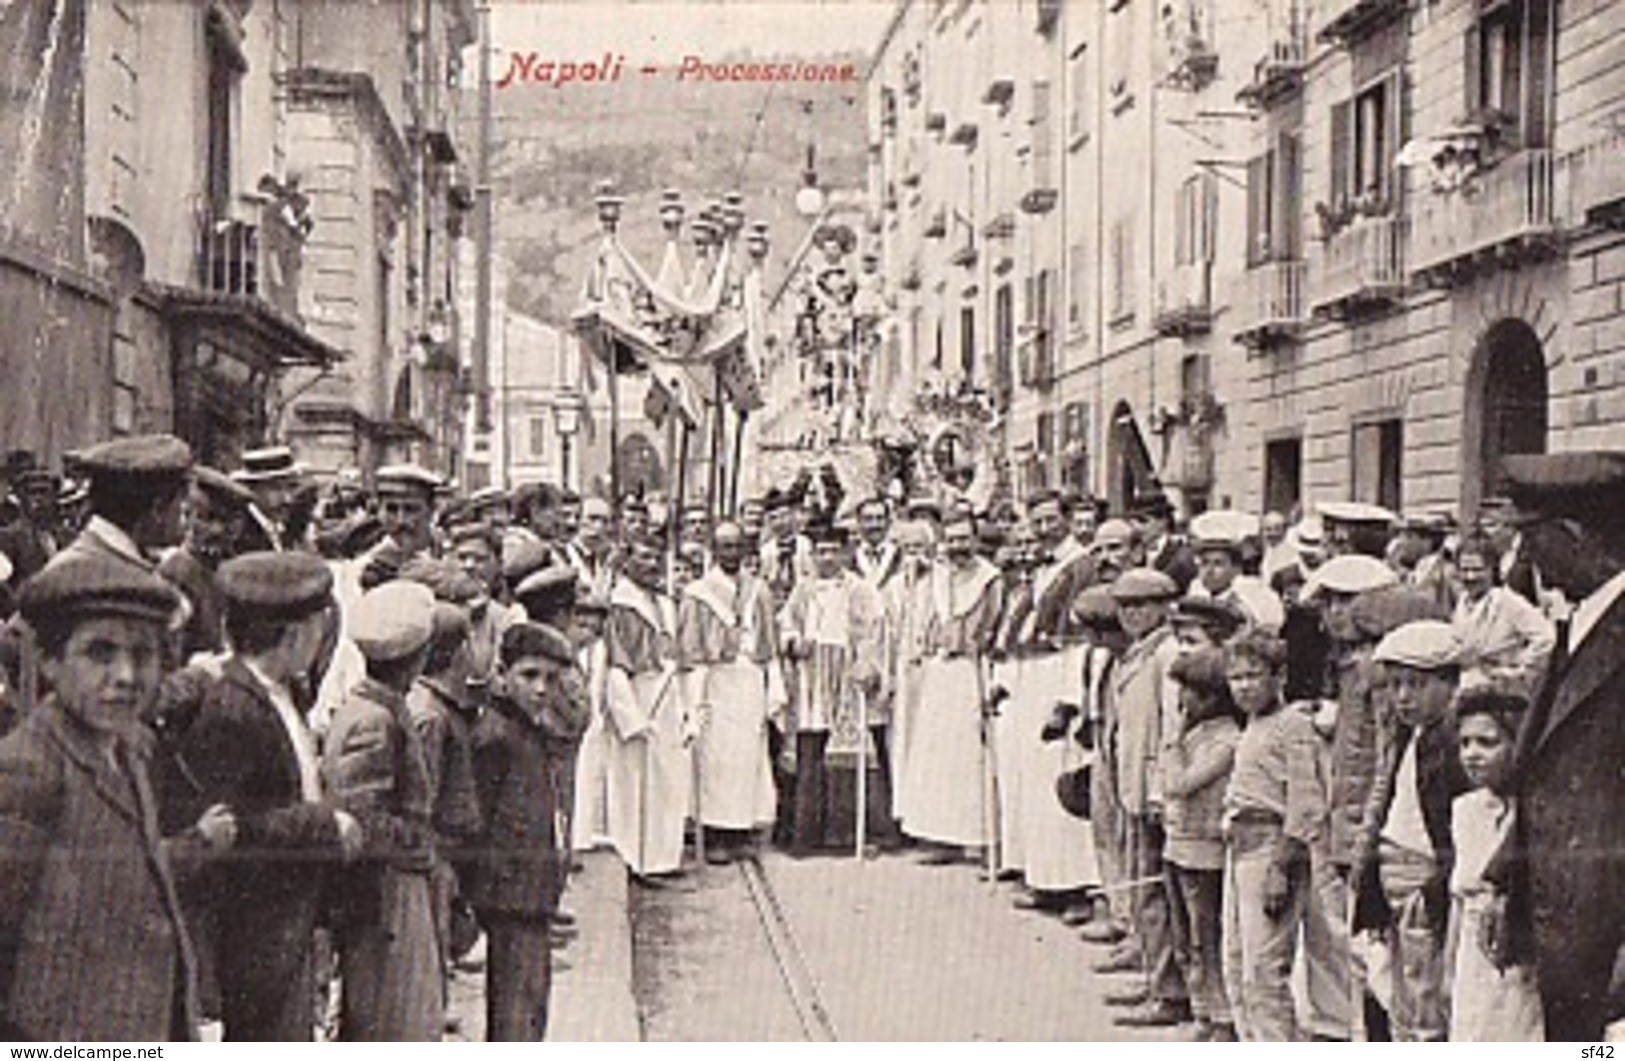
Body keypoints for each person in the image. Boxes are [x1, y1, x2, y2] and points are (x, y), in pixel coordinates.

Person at [0, 554, 229, 1040]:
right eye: (100, 653)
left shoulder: (128, 749)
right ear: (49, 661)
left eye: (143, 655)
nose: (126, 675)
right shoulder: (29, 769)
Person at [155, 550, 360, 1040]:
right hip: (256, 931)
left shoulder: (275, 690)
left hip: (287, 920)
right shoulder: (232, 709)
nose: (319, 641)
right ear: (291, 635)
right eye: (315, 629)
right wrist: (320, 824)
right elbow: (230, 826)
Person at [1483, 451, 1625, 1041]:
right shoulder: (1577, 625)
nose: (1523, 559)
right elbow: (1540, 775)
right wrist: (1506, 885)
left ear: (1575, 535)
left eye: (1530, 538)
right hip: (1565, 926)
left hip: (1608, 933)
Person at [323, 580, 442, 1041]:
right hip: (385, 890)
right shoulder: (374, 720)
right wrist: (418, 841)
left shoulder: (376, 707)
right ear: (418, 656)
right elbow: (362, 818)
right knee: (398, 1016)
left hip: (392, 883)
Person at [1354, 620, 1471, 1042]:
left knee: (1426, 993)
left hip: (1423, 875)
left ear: (1450, 684)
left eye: (1416, 685)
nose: (1402, 697)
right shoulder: (1407, 737)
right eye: (1396, 684)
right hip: (1393, 868)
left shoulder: (1452, 744)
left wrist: (1437, 883)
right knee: (1395, 990)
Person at [467, 621, 578, 1041]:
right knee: (517, 1008)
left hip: (529, 893)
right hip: (510, 896)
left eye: (550, 679)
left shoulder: (526, 729)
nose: (541, 689)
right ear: (502, 673)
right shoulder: (495, 735)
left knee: (531, 1004)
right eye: (528, 675)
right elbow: (480, 820)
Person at [1220, 629, 1327, 1042]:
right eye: (1236, 677)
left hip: (1269, 851)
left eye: (1254, 675)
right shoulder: (1251, 725)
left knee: (1265, 971)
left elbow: (1305, 803)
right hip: (1239, 849)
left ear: (1278, 677)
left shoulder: (1292, 725)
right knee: (1236, 965)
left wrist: (1282, 866)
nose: (1244, 686)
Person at [1101, 568, 1190, 1029]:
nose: (1132, 614)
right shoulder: (1135, 654)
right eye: (1125, 606)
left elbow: (1173, 727)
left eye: (1141, 605)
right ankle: (1154, 974)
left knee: (1155, 892)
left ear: (1162, 607)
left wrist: (1160, 788)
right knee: (1142, 889)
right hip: (1130, 783)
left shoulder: (1167, 655)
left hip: (1153, 788)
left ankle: (1170, 991)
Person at [677, 522, 784, 863]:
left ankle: (741, 830)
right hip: (716, 678)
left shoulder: (759, 590)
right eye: (724, 546)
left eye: (737, 546)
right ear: (713, 549)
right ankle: (715, 830)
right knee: (716, 756)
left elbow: (768, 642)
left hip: (748, 676)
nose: (731, 553)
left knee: (748, 755)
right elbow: (690, 646)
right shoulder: (697, 592)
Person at [901, 510, 1002, 862]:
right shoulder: (937, 578)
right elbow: (923, 619)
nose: (958, 546)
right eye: (953, 539)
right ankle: (940, 837)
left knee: (970, 754)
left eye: (964, 539)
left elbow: (995, 624)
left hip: (972, 671)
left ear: (975, 540)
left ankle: (978, 837)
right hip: (939, 673)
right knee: (937, 755)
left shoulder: (991, 579)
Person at [777, 520, 883, 855]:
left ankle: (844, 835)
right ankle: (804, 835)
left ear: (845, 553)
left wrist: (866, 664)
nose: (826, 558)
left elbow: (873, 631)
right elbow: (786, 625)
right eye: (820, 551)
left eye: (833, 551)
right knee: (809, 752)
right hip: (811, 678)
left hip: (845, 676)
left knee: (847, 754)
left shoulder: (860, 589)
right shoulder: (803, 589)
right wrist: (794, 643)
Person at [1446, 687, 1543, 1042]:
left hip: (1518, 955)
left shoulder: (1533, 812)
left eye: (1487, 743)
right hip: (1472, 957)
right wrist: (1448, 972)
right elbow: (1459, 897)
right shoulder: (1465, 810)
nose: (1471, 754)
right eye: (1465, 743)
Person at [1161, 647, 1243, 1042]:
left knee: (1206, 939)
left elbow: (1179, 784)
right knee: (1186, 939)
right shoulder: (1199, 734)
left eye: (1189, 693)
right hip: (1179, 847)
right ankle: (1203, 1011)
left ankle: (1221, 1015)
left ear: (1211, 697)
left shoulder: (1226, 740)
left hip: (1205, 853)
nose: (1182, 701)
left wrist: (1172, 745)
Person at [601, 535, 686, 878]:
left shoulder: (665, 604)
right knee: (633, 777)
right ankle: (634, 857)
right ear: (627, 563)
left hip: (667, 690)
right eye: (644, 558)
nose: (652, 566)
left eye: (656, 559)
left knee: (668, 776)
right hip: (637, 692)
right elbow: (616, 666)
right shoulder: (619, 606)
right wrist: (630, 717)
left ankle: (664, 856)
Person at [161, 467, 257, 660]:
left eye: (228, 522)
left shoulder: (230, 567)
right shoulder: (178, 571)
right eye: (207, 518)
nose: (216, 530)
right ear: (189, 518)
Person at [1450, 531, 1555, 700]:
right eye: (1464, 570)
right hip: (1466, 688)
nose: (1470, 577)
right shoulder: (1462, 602)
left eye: (1477, 570)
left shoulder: (1508, 601)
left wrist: (1518, 668)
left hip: (1499, 694)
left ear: (1492, 569)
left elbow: (1547, 637)